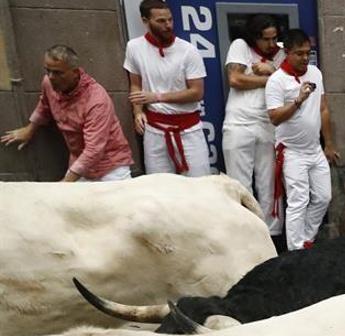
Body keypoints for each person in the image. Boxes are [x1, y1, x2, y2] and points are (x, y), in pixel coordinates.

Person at [2, 45, 133, 182]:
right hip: (79, 164)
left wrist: (66, 183)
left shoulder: (96, 100)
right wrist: (30, 129)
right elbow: (44, 105)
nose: (52, 77)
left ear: (75, 73)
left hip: (110, 167)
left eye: (58, 73)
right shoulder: (49, 83)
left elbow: (94, 150)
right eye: (48, 71)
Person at [265, 29, 339, 251]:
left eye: (308, 52)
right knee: (298, 202)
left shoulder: (315, 73)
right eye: (299, 53)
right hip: (291, 151)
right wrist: (298, 101)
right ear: (286, 52)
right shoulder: (276, 81)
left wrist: (329, 144)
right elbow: (274, 118)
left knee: (324, 197)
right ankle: (295, 252)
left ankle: (306, 240)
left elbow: (323, 109)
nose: (305, 58)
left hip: (314, 149)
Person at [124, 0, 210, 176]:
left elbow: (197, 92)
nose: (168, 25)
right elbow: (135, 84)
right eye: (161, 21)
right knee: (159, 190)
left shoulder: (188, 50)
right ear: (145, 21)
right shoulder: (134, 47)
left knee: (198, 187)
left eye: (170, 20)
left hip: (189, 130)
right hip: (155, 131)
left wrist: (157, 97)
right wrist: (138, 111)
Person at [222, 14, 286, 241]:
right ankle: (244, 237)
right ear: (254, 38)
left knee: (269, 185)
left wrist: (271, 69)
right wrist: (271, 78)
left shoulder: (280, 54)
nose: (271, 44)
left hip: (268, 125)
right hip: (239, 124)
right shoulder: (240, 46)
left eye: (274, 38)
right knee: (240, 185)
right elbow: (236, 79)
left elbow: (289, 81)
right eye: (266, 40)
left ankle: (272, 238)